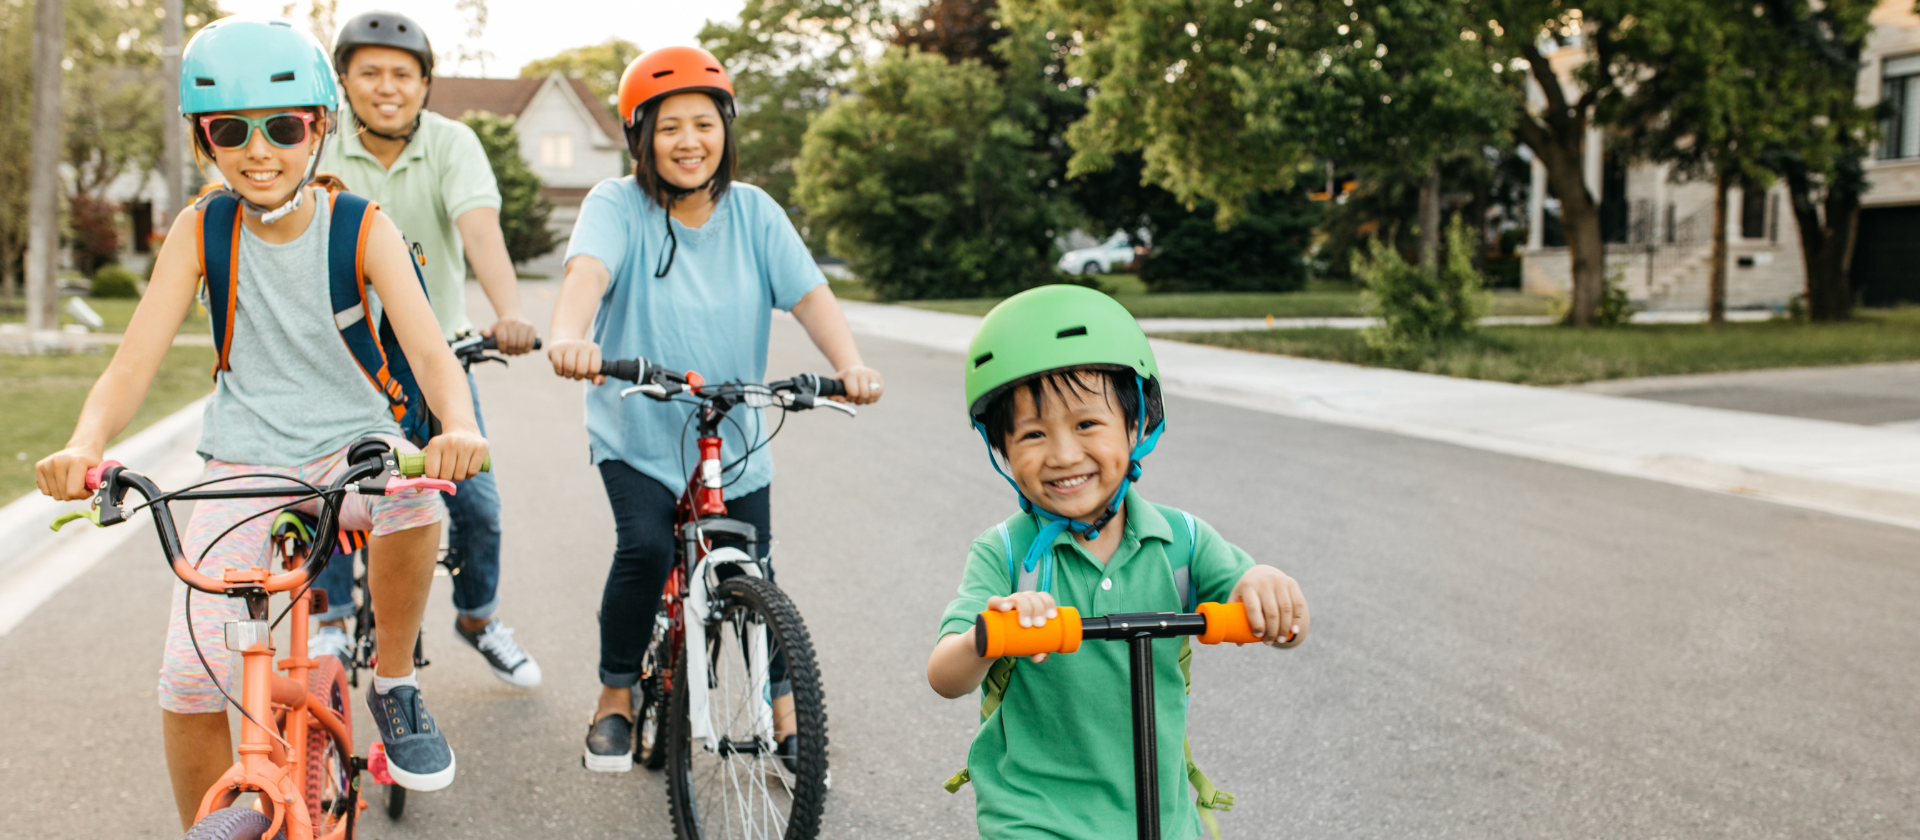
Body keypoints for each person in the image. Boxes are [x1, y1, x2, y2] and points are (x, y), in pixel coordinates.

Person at [32, 16, 481, 828]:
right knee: (188, 678)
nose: (258, 148)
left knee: (416, 494)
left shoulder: (364, 228)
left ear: (318, 128)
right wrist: (84, 444)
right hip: (245, 464)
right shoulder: (200, 230)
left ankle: (395, 683)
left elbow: (433, 352)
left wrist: (455, 425)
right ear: (205, 141)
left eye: (282, 126)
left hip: (355, 447)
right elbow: (131, 365)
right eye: (229, 130)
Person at [545, 45, 883, 773]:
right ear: (641, 138)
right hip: (637, 424)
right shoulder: (616, 205)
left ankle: (790, 715)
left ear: (727, 130)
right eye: (669, 127)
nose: (689, 142)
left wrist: (847, 364)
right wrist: (570, 335)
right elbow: (587, 271)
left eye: (704, 123)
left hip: (733, 435)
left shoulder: (755, 212)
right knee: (642, 549)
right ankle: (614, 698)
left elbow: (809, 295)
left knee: (751, 570)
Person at [925, 284, 1312, 839]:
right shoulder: (1006, 554)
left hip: (1162, 815)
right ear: (1003, 449)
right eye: (1033, 434)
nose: (1062, 455)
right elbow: (945, 676)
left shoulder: (1181, 541)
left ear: (1136, 426)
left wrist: (1267, 585)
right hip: (1035, 816)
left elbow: (1285, 628)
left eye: (1086, 425)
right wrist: (990, 636)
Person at [311, 10, 543, 688]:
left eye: (402, 74)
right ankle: (331, 616)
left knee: (475, 503)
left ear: (424, 84)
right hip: (337, 354)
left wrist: (509, 312)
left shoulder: (451, 143)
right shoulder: (319, 146)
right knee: (328, 489)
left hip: (430, 354)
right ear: (344, 82)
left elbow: (479, 230)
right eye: (370, 72)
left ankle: (478, 619)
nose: (387, 86)